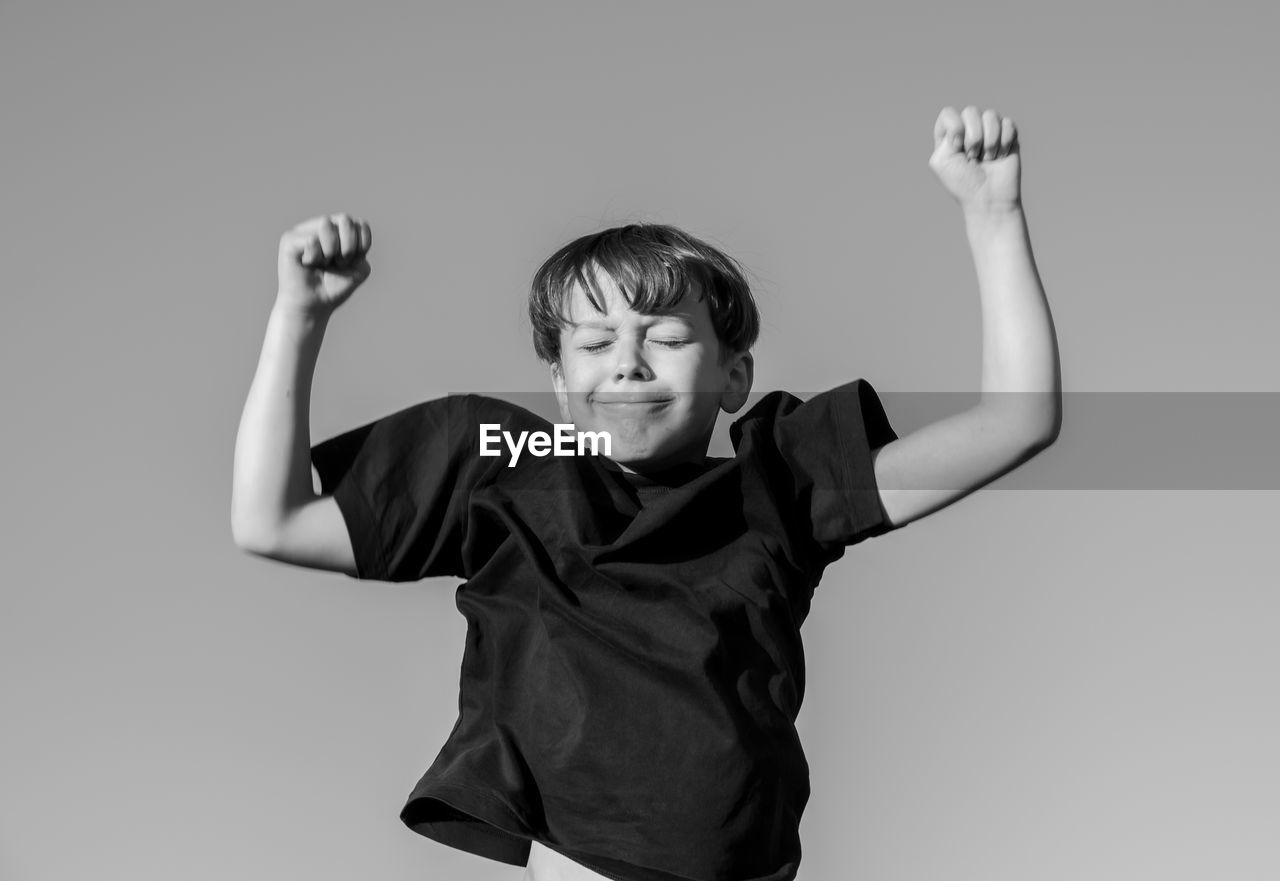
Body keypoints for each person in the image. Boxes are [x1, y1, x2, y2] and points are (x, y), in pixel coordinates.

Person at [231, 105, 1061, 881]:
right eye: (594, 342)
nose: (628, 361)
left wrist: (993, 217)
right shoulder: (503, 469)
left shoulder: (777, 484)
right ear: (558, 381)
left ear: (735, 375)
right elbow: (270, 521)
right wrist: (299, 317)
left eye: (665, 337)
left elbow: (1014, 424)